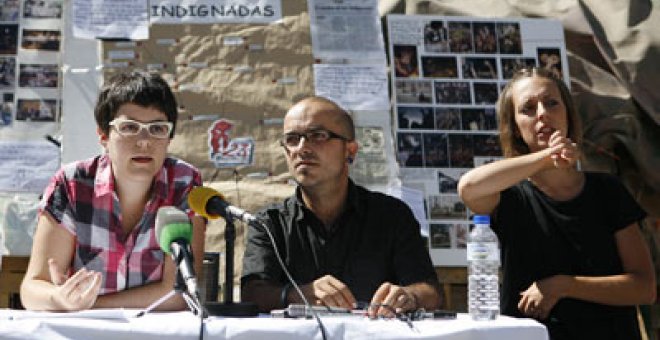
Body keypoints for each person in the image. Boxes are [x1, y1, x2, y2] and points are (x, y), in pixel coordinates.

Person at [457, 67, 655, 340]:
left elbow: (644, 287)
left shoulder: (607, 191)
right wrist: (546, 157)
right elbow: (469, 187)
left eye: (551, 103)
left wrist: (564, 285)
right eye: (528, 108)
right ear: (515, 127)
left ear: (567, 115)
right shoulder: (510, 197)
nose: (542, 113)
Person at [20, 71, 206, 311]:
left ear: (169, 137)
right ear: (103, 135)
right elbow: (33, 287)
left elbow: (177, 293)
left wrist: (90, 304)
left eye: (157, 129)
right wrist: (59, 298)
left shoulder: (184, 183)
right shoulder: (72, 184)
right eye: (129, 127)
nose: (144, 141)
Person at [241, 96, 441, 317]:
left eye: (318, 136)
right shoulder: (269, 223)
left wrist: (409, 296)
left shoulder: (392, 216)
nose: (302, 148)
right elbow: (252, 293)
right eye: (292, 139)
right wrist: (298, 294)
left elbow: (430, 291)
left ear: (350, 151)